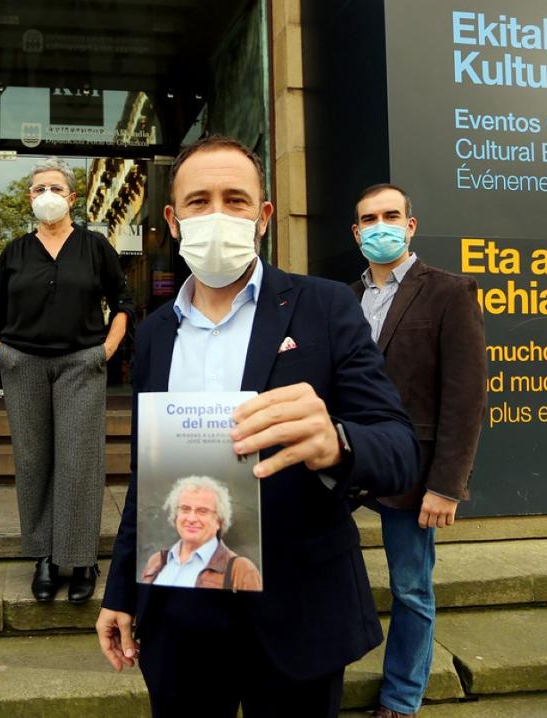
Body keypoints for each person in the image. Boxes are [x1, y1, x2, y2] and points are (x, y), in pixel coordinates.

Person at [95, 135, 418, 717]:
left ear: (264, 216)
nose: (217, 214)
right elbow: (147, 476)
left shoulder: (324, 307)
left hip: (299, 616)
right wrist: (121, 591)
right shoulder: (153, 334)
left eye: (236, 199)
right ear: (172, 219)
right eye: (199, 201)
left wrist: (337, 442)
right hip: (180, 618)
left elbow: (398, 446)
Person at [349, 184, 487, 718]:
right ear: (356, 231)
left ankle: (401, 698)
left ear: (410, 225)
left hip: (414, 470)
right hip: (349, 460)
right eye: (368, 218)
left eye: (390, 216)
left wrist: (446, 485)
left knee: (410, 588)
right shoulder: (345, 297)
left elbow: (466, 397)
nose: (379, 226)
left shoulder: (450, 292)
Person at [0, 158, 135, 604]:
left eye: (54, 187)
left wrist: (104, 351)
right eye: (36, 189)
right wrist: (1, 351)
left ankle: (82, 556)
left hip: (79, 364)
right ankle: (45, 557)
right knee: (33, 461)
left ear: (72, 197)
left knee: (78, 460)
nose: (45, 195)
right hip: (23, 365)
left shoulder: (94, 246)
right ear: (30, 199)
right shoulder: (14, 251)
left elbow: (123, 301)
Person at [141, 475, 261, 591]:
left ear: (219, 521)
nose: (191, 519)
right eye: (185, 509)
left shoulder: (241, 570)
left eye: (202, 511)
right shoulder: (156, 561)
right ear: (176, 515)